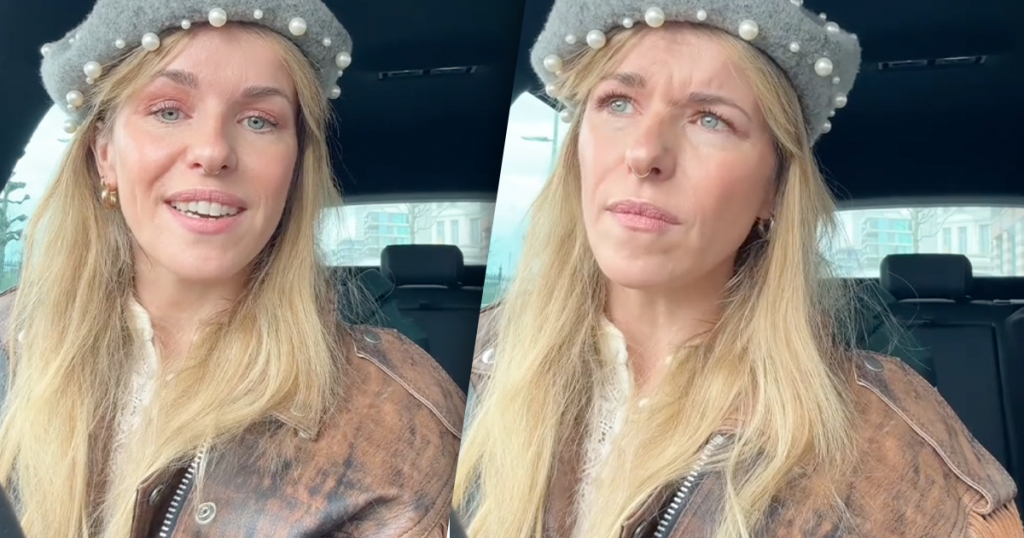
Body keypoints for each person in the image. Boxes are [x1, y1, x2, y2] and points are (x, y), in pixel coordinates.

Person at [453, 1, 1022, 537]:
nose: (644, 154)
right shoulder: (473, 366)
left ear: (772, 191)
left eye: (710, 119)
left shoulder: (890, 430)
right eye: (618, 103)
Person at [0, 1, 464, 537]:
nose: (214, 151)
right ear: (105, 154)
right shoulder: (11, 346)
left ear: (294, 167)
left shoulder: (401, 414)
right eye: (168, 111)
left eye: (258, 120)